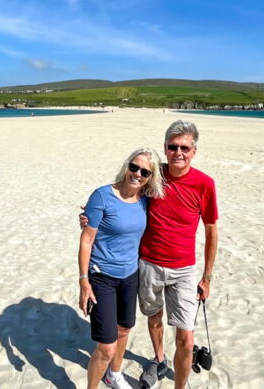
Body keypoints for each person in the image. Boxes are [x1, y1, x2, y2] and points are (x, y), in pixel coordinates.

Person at [81, 120, 219, 389]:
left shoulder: (205, 184)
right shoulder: (152, 176)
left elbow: (212, 231)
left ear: (194, 151)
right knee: (153, 318)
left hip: (184, 269)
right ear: (165, 149)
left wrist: (208, 276)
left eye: (184, 148)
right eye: (172, 147)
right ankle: (158, 359)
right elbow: (124, 195)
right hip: (147, 266)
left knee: (186, 338)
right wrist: (90, 216)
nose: (178, 152)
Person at [78, 147, 166, 389]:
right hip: (101, 276)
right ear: (126, 166)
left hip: (130, 276)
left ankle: (114, 374)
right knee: (106, 347)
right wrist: (83, 280)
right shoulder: (102, 196)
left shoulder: (146, 200)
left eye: (145, 172)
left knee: (124, 330)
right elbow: (86, 240)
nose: (137, 174)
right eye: (134, 167)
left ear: (151, 177)